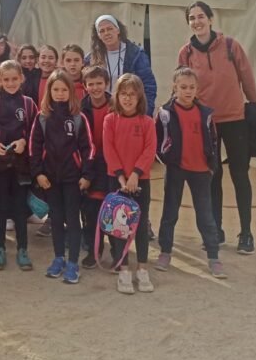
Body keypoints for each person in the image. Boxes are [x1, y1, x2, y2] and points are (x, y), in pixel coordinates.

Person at [178, 1, 256, 255]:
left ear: (211, 19)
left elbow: (247, 79)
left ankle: (246, 233)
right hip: (206, 123)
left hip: (235, 119)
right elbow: (181, 86)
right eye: (192, 18)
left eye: (201, 16)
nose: (197, 22)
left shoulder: (231, 46)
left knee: (240, 175)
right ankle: (216, 230)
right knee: (212, 177)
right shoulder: (186, 53)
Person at [155, 67, 226, 279]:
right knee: (170, 213)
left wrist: (212, 165)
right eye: (183, 87)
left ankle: (213, 256)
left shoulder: (205, 114)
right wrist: (166, 159)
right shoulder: (165, 113)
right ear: (174, 87)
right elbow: (157, 139)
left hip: (201, 171)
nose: (187, 91)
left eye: (192, 87)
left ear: (197, 89)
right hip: (176, 169)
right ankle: (165, 252)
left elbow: (214, 140)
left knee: (205, 215)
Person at [30, 69, 93, 284]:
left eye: (64, 90)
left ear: (71, 92)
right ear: (49, 92)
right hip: (50, 179)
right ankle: (58, 258)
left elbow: (88, 149)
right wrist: (38, 173)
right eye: (55, 89)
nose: (59, 94)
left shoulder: (78, 118)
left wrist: (86, 175)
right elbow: (34, 148)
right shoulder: (42, 118)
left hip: (73, 179)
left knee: (73, 220)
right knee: (56, 219)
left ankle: (73, 262)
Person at [103, 73, 157, 294]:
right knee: (119, 228)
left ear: (139, 97)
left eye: (132, 94)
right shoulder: (110, 120)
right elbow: (109, 149)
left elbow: (149, 150)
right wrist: (121, 178)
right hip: (117, 181)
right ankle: (123, 269)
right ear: (117, 96)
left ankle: (142, 268)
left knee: (141, 225)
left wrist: (135, 175)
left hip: (140, 181)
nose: (127, 98)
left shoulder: (147, 122)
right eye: (123, 94)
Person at [0, 60, 37, 271]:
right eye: (6, 79)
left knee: (20, 208)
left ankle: (23, 249)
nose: (11, 83)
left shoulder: (29, 104)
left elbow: (36, 132)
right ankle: (0, 248)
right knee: (2, 207)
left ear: (21, 78)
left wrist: (24, 141)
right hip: (0, 164)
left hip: (21, 166)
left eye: (15, 79)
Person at [87, 14, 157, 111]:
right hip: (101, 110)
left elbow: (148, 86)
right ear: (98, 35)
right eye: (102, 31)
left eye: (110, 29)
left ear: (118, 30)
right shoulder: (91, 58)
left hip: (129, 110)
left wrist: (145, 113)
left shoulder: (136, 55)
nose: (106, 33)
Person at [78, 65, 111, 269]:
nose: (96, 87)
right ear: (85, 86)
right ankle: (94, 250)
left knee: (113, 209)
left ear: (107, 84)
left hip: (112, 165)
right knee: (90, 211)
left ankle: (117, 250)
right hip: (89, 165)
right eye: (91, 84)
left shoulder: (117, 106)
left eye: (99, 83)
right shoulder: (80, 108)